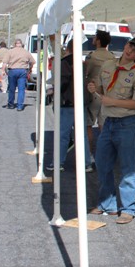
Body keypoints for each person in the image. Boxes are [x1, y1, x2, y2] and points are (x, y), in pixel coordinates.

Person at [86, 36, 135, 225]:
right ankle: (108, 204)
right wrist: (94, 88)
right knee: (103, 164)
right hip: (108, 122)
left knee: (128, 168)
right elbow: (101, 87)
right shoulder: (108, 64)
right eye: (130, 45)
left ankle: (128, 209)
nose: (130, 50)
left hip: (127, 124)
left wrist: (112, 101)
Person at [46, 44, 93, 173]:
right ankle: (86, 163)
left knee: (63, 135)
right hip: (81, 102)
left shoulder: (65, 63)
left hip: (67, 102)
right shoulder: (82, 64)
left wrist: (55, 90)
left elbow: (64, 81)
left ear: (67, 49)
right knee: (82, 135)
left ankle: (58, 162)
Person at [83, 30, 116, 156]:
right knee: (104, 125)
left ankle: (89, 154)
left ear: (98, 41)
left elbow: (86, 73)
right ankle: (105, 153)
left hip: (94, 92)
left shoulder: (92, 56)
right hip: (108, 93)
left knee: (88, 125)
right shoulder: (112, 57)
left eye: (95, 37)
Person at [4, 39, 35, 111]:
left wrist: (4, 71)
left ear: (15, 44)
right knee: (21, 89)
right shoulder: (26, 52)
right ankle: (20, 106)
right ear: (21, 44)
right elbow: (32, 62)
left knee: (12, 88)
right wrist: (30, 68)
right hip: (22, 70)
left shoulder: (10, 52)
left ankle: (11, 104)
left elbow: (5, 63)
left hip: (12, 70)